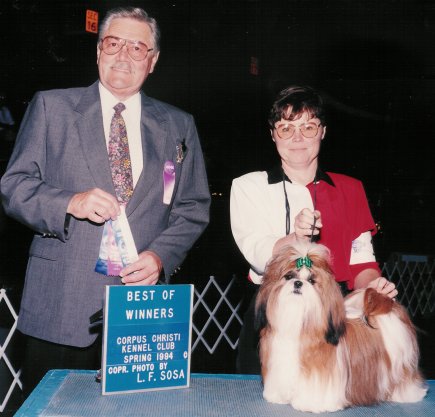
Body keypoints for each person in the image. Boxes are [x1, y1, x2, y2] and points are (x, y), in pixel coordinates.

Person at [0, 7, 210, 394]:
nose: (123, 55)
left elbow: (192, 208)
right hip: (62, 305)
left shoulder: (179, 125)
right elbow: (13, 187)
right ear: (98, 51)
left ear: (153, 60)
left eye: (137, 47)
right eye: (113, 44)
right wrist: (68, 203)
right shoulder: (51, 107)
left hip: (141, 313)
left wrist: (161, 256)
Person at [230, 85, 398, 374]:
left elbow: (362, 263)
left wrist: (374, 285)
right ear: (273, 135)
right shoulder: (248, 186)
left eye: (308, 127)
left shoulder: (351, 189)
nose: (297, 138)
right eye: (286, 128)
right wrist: (296, 239)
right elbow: (257, 254)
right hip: (273, 312)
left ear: (323, 132)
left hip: (334, 318)